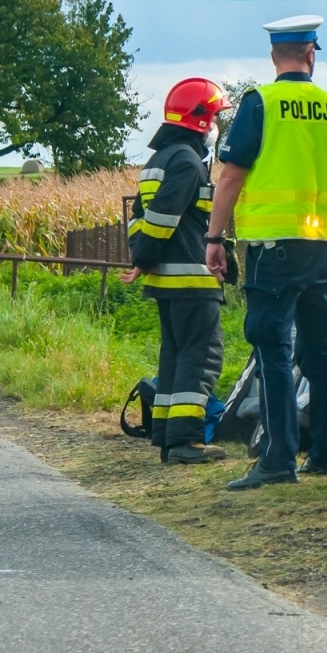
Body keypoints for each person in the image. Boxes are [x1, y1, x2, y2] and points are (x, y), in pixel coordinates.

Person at [206, 15, 327, 489]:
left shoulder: (261, 103)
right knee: (321, 352)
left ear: (275, 57)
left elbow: (231, 174)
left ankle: (277, 459)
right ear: (311, 54)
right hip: (323, 249)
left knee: (273, 348)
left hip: (274, 248)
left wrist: (215, 238)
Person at [124, 77, 232, 464]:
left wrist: (143, 260)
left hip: (166, 280)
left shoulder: (161, 159)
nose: (217, 126)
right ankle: (185, 442)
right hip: (190, 279)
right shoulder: (187, 161)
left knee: (174, 356)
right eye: (216, 117)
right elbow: (162, 220)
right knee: (201, 357)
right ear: (200, 120)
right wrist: (142, 258)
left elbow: (139, 218)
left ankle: (168, 438)